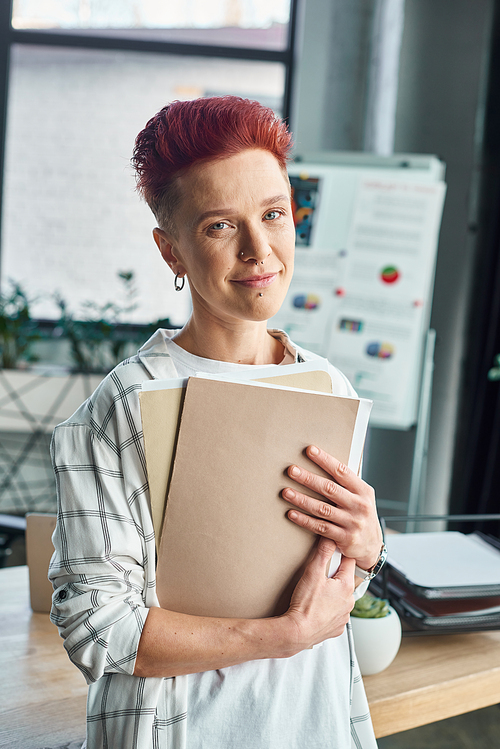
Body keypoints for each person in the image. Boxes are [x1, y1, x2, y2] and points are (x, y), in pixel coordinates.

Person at [49, 96, 385, 749]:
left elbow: (330, 584)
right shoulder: (122, 406)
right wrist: (280, 637)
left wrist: (368, 546)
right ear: (171, 251)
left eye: (273, 214)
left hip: (313, 727)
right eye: (219, 227)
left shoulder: (328, 387)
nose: (260, 250)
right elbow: (95, 628)